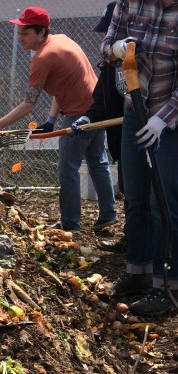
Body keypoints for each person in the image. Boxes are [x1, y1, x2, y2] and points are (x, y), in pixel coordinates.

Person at [0, 6, 118, 233]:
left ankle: (70, 225)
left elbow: (28, 104)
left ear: (41, 32)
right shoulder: (61, 40)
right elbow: (63, 86)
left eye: (25, 33)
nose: (20, 37)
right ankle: (108, 215)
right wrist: (51, 119)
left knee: (67, 169)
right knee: (98, 162)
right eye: (19, 32)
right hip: (96, 109)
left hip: (79, 116)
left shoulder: (42, 58)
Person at [101, 0, 178, 316]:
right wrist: (117, 48)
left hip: (170, 118)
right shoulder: (129, 2)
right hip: (135, 108)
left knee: (165, 201)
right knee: (134, 196)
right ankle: (139, 272)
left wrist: (163, 120)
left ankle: (168, 286)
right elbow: (107, 47)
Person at [72, 1, 126, 253]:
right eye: (107, 32)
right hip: (125, 140)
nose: (107, 37)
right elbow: (102, 101)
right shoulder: (110, 67)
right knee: (129, 189)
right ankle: (132, 239)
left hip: (157, 136)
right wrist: (88, 118)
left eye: (112, 32)